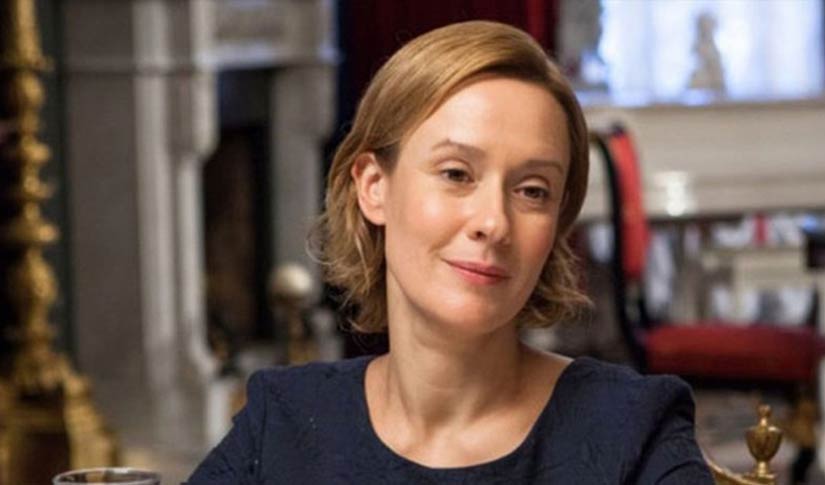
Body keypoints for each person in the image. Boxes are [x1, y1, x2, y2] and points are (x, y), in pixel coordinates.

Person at [187, 21, 713, 484]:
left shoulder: (633, 429)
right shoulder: (283, 421)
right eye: (456, 174)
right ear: (374, 187)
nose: (493, 222)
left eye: (533, 191)